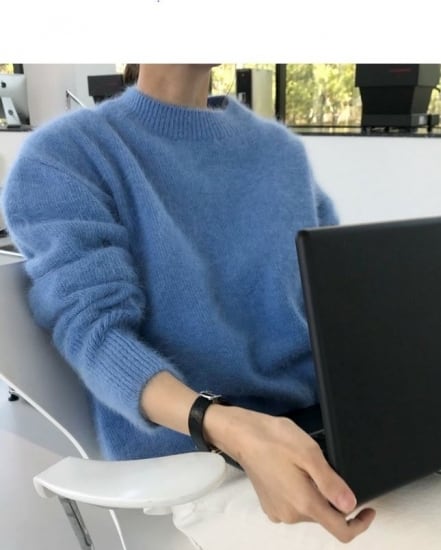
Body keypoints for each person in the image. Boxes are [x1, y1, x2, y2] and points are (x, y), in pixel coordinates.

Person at [1, 64, 375, 544]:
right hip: (196, 459)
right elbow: (94, 334)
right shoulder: (67, 156)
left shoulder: (280, 152)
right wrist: (228, 427)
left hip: (321, 431)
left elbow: (336, 299)